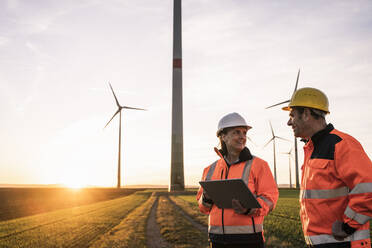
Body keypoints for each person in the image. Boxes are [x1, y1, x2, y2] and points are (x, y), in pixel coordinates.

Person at [282, 87, 372, 248]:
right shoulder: (312, 149)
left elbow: (368, 188)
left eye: (292, 115)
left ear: (307, 114)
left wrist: (348, 226)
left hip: (344, 243)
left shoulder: (342, 144)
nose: (289, 122)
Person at [196, 112, 278, 248]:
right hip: (217, 240)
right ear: (223, 136)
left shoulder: (259, 165)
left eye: (244, 133)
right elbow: (203, 207)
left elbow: (270, 199)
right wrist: (206, 198)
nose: (242, 137)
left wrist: (249, 208)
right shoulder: (210, 169)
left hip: (248, 240)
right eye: (236, 132)